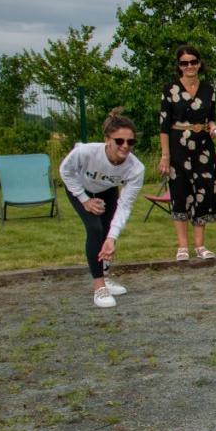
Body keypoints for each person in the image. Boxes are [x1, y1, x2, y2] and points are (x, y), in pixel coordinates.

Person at [59, 109, 146, 308]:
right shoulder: (86, 152)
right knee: (95, 229)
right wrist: (84, 199)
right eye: (119, 141)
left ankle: (106, 277)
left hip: (107, 189)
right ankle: (99, 286)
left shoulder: (136, 168)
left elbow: (125, 206)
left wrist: (112, 238)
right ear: (107, 139)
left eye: (130, 142)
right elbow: (65, 171)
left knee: (106, 232)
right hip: (79, 188)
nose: (125, 146)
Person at [158, 44, 216, 261]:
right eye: (184, 63)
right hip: (178, 147)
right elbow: (164, 126)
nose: (189, 66)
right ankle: (182, 246)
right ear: (179, 66)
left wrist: (212, 127)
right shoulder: (170, 90)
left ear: (199, 63)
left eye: (193, 61)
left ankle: (200, 245)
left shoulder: (208, 90)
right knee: (180, 192)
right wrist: (165, 156)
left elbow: (211, 117)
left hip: (203, 146)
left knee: (203, 191)